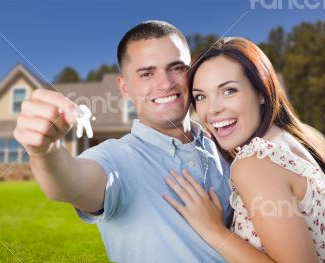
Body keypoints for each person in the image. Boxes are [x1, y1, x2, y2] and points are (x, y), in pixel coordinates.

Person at [14, 20, 233, 262]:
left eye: (176, 68)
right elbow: (72, 184)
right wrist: (45, 152)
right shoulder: (115, 158)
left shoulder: (223, 144)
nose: (165, 83)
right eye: (147, 73)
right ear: (125, 87)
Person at [164, 37, 325, 263]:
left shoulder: (255, 163)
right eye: (201, 96)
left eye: (229, 91)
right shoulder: (296, 138)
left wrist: (213, 230)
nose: (212, 110)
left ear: (261, 92)